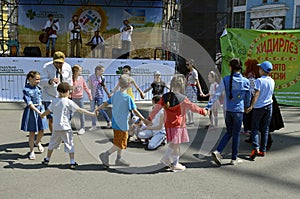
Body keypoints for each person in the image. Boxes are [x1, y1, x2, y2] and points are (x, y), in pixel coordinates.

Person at [148, 75, 208, 172]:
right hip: (178, 126)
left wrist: (149, 118)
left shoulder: (165, 97)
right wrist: (203, 111)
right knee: (176, 145)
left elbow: (156, 108)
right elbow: (193, 107)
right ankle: (174, 164)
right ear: (182, 86)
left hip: (168, 125)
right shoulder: (183, 99)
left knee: (173, 144)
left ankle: (166, 159)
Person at [41, 82, 95, 169]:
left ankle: (47, 159)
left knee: (52, 143)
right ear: (64, 92)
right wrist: (91, 114)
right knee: (69, 143)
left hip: (56, 127)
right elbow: (79, 110)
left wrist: (42, 115)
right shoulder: (68, 102)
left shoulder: (54, 101)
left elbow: (48, 111)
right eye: (68, 91)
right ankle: (72, 161)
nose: (69, 93)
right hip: (66, 127)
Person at [97, 74, 147, 168]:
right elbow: (135, 110)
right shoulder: (128, 98)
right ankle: (106, 154)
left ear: (119, 84)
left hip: (115, 123)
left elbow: (106, 103)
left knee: (118, 141)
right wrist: (144, 119)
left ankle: (118, 159)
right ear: (129, 85)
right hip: (123, 124)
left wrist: (97, 109)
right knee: (121, 143)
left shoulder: (115, 95)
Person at [209, 58, 251, 166]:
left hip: (228, 110)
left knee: (229, 132)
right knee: (236, 134)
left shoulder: (226, 79)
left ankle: (218, 150)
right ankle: (234, 158)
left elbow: (217, 94)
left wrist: (208, 106)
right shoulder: (245, 81)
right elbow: (248, 97)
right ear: (241, 68)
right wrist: (247, 107)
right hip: (238, 111)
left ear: (230, 67)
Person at [245, 61, 275, 160]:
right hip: (269, 106)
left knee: (254, 128)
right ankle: (263, 149)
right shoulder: (272, 80)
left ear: (262, 70)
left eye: (260, 68)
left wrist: (251, 106)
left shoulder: (259, 81)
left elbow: (256, 94)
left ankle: (255, 148)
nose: (259, 70)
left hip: (258, 107)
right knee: (265, 128)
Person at [40, 51, 72, 134]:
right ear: (53, 61)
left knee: (63, 117)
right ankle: (54, 135)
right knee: (52, 118)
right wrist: (50, 81)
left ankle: (61, 134)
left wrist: (70, 92)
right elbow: (41, 81)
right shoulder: (46, 67)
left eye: (61, 63)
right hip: (49, 96)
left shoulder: (68, 67)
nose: (58, 65)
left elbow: (69, 81)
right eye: (56, 62)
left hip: (63, 97)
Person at [21, 71, 48, 160]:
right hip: (32, 111)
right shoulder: (26, 90)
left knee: (42, 130)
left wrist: (42, 110)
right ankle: (31, 151)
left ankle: (38, 142)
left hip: (41, 109)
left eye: (39, 79)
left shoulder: (38, 88)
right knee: (32, 132)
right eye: (36, 79)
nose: (38, 81)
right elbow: (30, 104)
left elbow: (40, 99)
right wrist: (38, 111)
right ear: (30, 79)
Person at [88, 65, 111, 131]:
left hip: (100, 96)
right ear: (97, 71)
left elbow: (104, 86)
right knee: (92, 110)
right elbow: (89, 86)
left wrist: (108, 94)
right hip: (93, 95)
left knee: (100, 109)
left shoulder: (103, 78)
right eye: (102, 71)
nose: (103, 73)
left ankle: (108, 121)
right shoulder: (91, 77)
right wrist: (89, 95)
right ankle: (94, 125)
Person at [71, 65, 92, 135]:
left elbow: (85, 87)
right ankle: (67, 127)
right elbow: (70, 88)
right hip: (73, 98)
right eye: (80, 70)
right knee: (71, 113)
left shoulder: (81, 78)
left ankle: (82, 127)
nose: (81, 72)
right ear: (75, 71)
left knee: (81, 113)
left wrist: (89, 95)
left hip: (80, 98)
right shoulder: (71, 79)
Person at [242, 59, 260, 137]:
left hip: (249, 98)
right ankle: (250, 130)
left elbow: (250, 90)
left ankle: (247, 130)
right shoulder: (257, 76)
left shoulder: (249, 77)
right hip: (255, 99)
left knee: (247, 115)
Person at [185, 59, 204, 126]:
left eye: (188, 64)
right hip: (188, 88)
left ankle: (191, 121)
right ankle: (190, 120)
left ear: (192, 64)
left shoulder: (194, 72)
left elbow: (197, 82)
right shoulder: (189, 73)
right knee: (187, 105)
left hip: (192, 88)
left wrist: (201, 91)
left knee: (190, 105)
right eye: (186, 64)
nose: (187, 66)